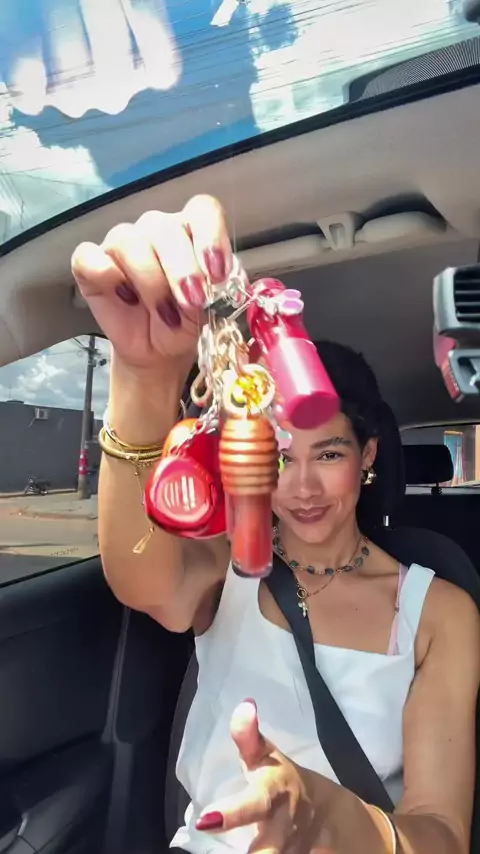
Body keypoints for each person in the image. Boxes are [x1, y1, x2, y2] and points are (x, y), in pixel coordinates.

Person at [71, 195, 480, 854]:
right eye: (280, 457)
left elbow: (442, 833)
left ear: (368, 456)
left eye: (331, 454)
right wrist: (144, 375)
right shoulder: (228, 564)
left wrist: (330, 819)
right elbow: (140, 577)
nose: (303, 487)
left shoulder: (440, 613)